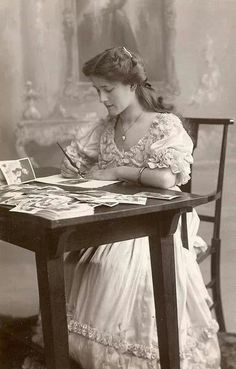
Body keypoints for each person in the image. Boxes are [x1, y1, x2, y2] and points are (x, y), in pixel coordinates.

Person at [29, 47, 221, 369]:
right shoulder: (105, 127)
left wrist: (116, 171)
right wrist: (76, 166)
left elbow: (165, 178)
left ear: (132, 85)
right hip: (112, 216)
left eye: (108, 89)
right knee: (70, 256)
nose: (102, 98)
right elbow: (74, 164)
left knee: (114, 267)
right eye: (97, 90)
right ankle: (73, 346)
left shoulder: (162, 124)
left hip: (158, 220)